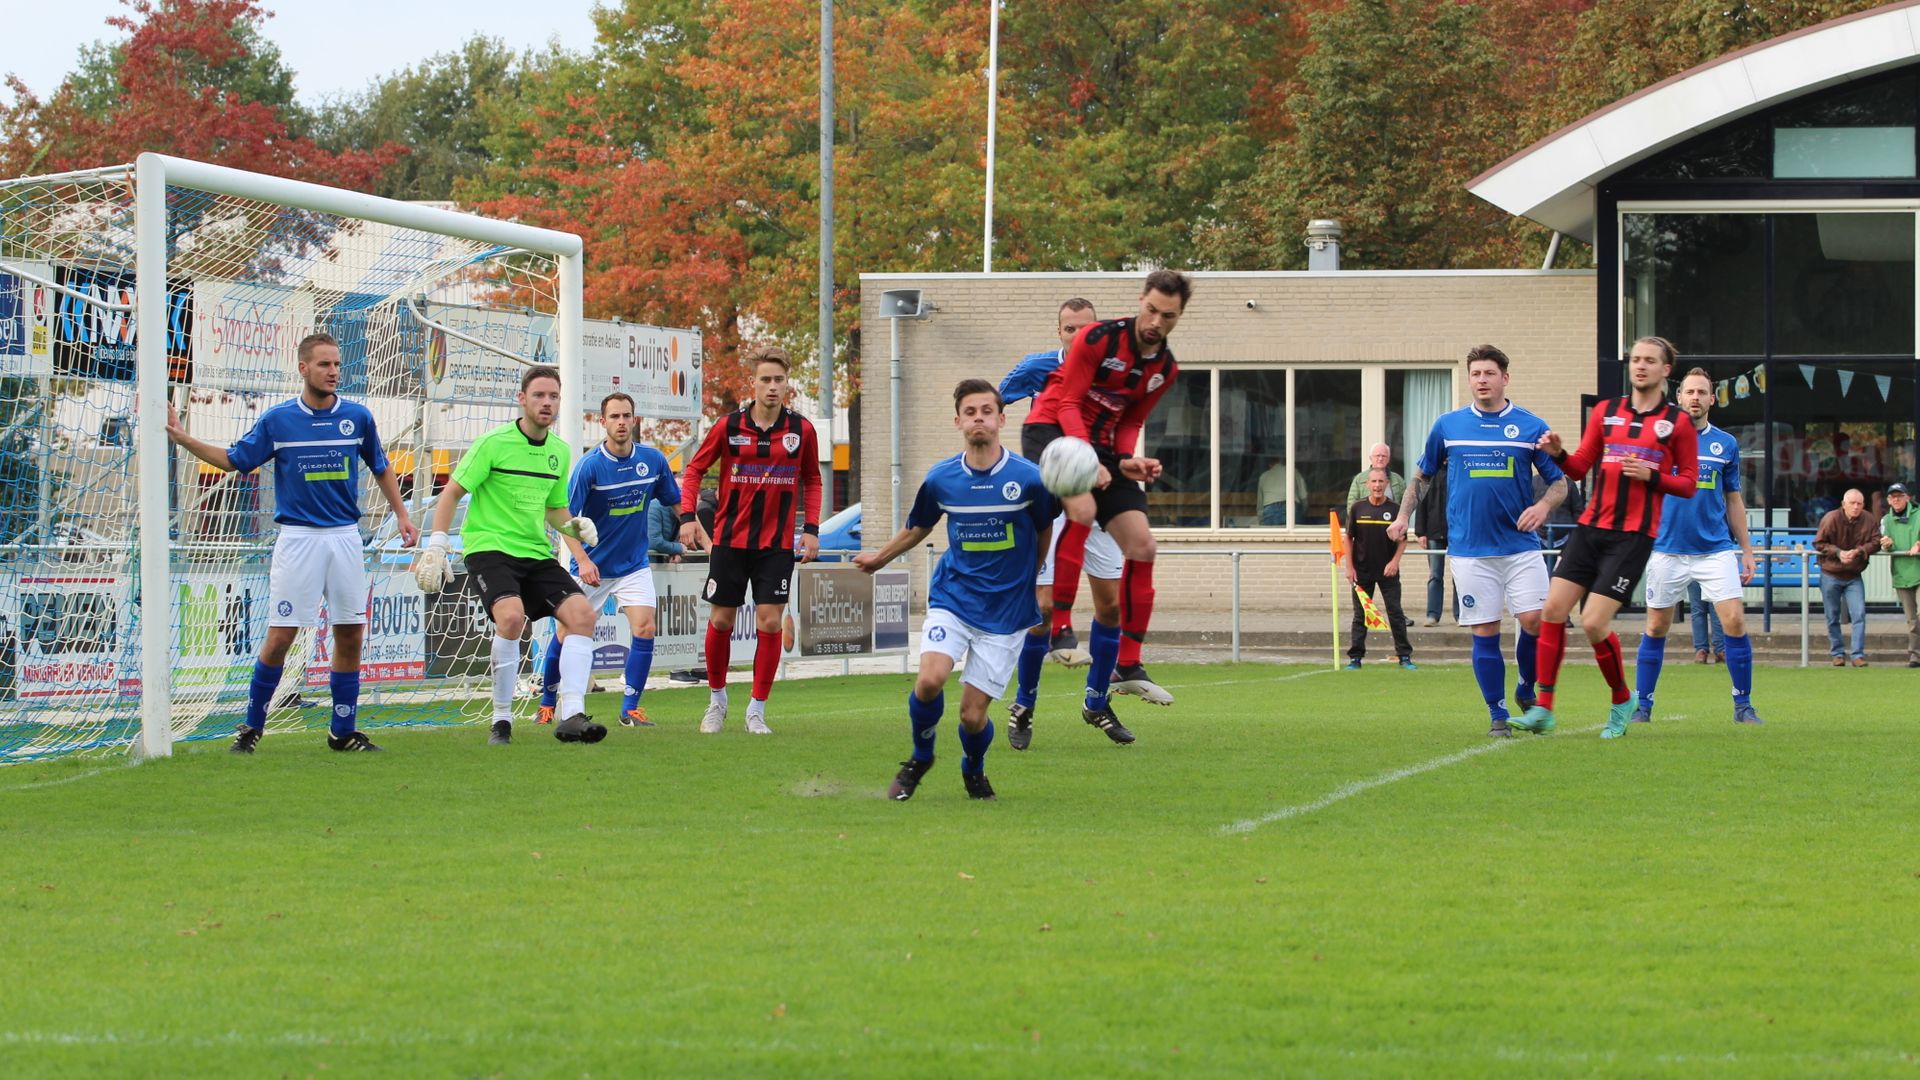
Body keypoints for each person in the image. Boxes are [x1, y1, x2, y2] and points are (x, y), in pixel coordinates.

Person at [165, 331, 417, 753]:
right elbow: (235, 460)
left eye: (337, 364)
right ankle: (250, 729)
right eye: (324, 364)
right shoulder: (278, 420)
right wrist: (184, 439)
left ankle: (342, 732)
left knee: (350, 634)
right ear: (303, 369)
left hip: (344, 538)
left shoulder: (357, 417)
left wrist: (402, 515)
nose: (333, 371)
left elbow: (380, 466)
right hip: (298, 540)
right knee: (282, 636)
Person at [856, 379, 1057, 800]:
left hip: (1005, 613)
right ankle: (920, 757)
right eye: (971, 412)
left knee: (971, 716)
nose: (979, 418)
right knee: (929, 680)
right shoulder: (941, 479)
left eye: (987, 410)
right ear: (958, 421)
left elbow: (1043, 532)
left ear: (1001, 419)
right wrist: (879, 558)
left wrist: (1033, 576)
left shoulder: (1029, 479)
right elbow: (918, 527)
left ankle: (974, 767)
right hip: (954, 596)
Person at [1023, 269, 1190, 743]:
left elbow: (1129, 420)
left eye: (1168, 316)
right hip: (1052, 431)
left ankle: (1129, 663)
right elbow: (1070, 402)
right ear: (1140, 301)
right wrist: (1090, 460)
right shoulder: (1099, 338)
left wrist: (1126, 463)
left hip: (1101, 449)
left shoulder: (1166, 369)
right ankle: (1058, 629)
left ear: (1179, 317)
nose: (1156, 321)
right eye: (1152, 309)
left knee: (1143, 545)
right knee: (1081, 510)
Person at [1518, 335, 1698, 739]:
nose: (1640, 366)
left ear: (1665, 370)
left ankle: (1621, 698)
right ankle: (1543, 707)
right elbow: (1580, 468)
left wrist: (1652, 476)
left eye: (1650, 360)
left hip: (1633, 536)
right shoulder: (1606, 411)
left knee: (1593, 622)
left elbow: (1688, 484)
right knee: (1552, 610)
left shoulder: (1678, 423)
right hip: (1591, 527)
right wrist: (1560, 453)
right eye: (1636, 359)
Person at [416, 365, 605, 746]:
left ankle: (571, 715)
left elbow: (554, 509)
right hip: (489, 549)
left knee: (582, 615)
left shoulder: (559, 452)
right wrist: (437, 542)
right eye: (539, 395)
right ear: (522, 399)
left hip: (534, 553)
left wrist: (575, 531)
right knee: (512, 618)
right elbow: (451, 493)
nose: (547, 403)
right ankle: (501, 719)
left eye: (553, 396)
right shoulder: (493, 443)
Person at [1390, 344, 1566, 737]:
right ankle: (1497, 714)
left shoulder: (1531, 426)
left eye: (1489, 373)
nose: (1482, 380)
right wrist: (1403, 516)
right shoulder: (1448, 426)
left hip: (1521, 548)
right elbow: (1422, 477)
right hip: (1470, 550)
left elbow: (1560, 483)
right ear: (1468, 379)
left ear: (1505, 377)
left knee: (1536, 622)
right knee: (1484, 630)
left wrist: (1542, 508)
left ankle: (1524, 686)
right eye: (1475, 374)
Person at [678, 346, 822, 734]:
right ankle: (717, 700)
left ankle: (756, 709)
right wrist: (687, 517)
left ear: (786, 383)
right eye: (765, 380)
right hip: (729, 540)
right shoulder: (728, 426)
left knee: (770, 621)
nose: (772, 387)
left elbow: (812, 479)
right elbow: (693, 469)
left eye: (779, 380)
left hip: (775, 544)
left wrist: (810, 530)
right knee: (722, 619)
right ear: (753, 383)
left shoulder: (801, 430)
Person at [534, 392, 681, 729]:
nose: (621, 422)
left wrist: (692, 527)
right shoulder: (589, 466)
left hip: (633, 565)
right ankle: (546, 701)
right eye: (613, 416)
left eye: (626, 416)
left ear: (635, 419)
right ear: (602, 422)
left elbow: (675, 501)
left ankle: (630, 709)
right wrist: (583, 560)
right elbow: (564, 519)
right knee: (564, 634)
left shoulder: (653, 460)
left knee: (645, 627)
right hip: (593, 567)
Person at [1631, 368, 1763, 726]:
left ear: (1711, 400)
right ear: (1678, 398)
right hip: (1666, 549)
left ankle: (1743, 706)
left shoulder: (1726, 444)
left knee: (1734, 621)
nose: (1695, 398)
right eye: (1689, 392)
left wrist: (1746, 550)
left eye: (1702, 392)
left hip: (1715, 549)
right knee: (1657, 626)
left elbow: (1734, 500)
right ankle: (1642, 706)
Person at [1344, 468, 1414, 669]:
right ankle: (1355, 658)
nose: (1377, 485)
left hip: (1387, 572)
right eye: (1373, 481)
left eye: (1381, 482)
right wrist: (1349, 567)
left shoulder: (1395, 510)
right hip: (1362, 571)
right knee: (1361, 615)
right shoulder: (1357, 508)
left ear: (1386, 484)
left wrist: (1394, 562)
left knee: (1396, 613)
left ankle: (1404, 657)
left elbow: (1403, 541)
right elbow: (1348, 538)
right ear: (1367, 484)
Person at [1815, 488, 1880, 667]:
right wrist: (1838, 552)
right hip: (1830, 573)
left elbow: (1876, 541)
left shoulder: (1869, 519)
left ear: (1863, 505)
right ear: (1844, 504)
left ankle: (1857, 655)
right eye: (1852, 503)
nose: (1856, 507)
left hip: (1853, 574)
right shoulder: (1830, 518)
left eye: (1859, 503)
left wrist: (1860, 551)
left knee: (1859, 613)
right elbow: (1819, 543)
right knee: (1832, 615)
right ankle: (1837, 653)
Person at [1880, 482, 1920, 668]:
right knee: (1912, 620)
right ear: (1888, 500)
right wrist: (1886, 545)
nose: (1896, 499)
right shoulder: (1886, 520)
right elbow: (1885, 543)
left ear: (1907, 498)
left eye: (1899, 496)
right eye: (1892, 497)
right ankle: (1915, 656)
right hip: (1902, 574)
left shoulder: (1919, 514)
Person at [1412, 466, 1456, 625]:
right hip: (1433, 532)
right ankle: (1432, 615)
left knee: (1459, 575)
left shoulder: (1458, 469)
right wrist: (1420, 532)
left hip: (1457, 533)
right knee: (1435, 576)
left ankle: (1461, 615)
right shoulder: (1428, 473)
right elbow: (1420, 503)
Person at [1345, 442, 1406, 508]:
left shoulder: (1398, 480)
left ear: (1388, 459)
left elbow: (1406, 504)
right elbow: (1351, 505)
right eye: (1377, 455)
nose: (1380, 459)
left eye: (1383, 456)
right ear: (1371, 458)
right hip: (1365, 517)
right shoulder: (1359, 479)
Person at [1686, 580, 1725, 663]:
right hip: (1694, 571)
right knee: (1698, 610)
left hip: (1715, 571)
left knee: (1716, 609)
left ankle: (1720, 650)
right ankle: (1701, 650)